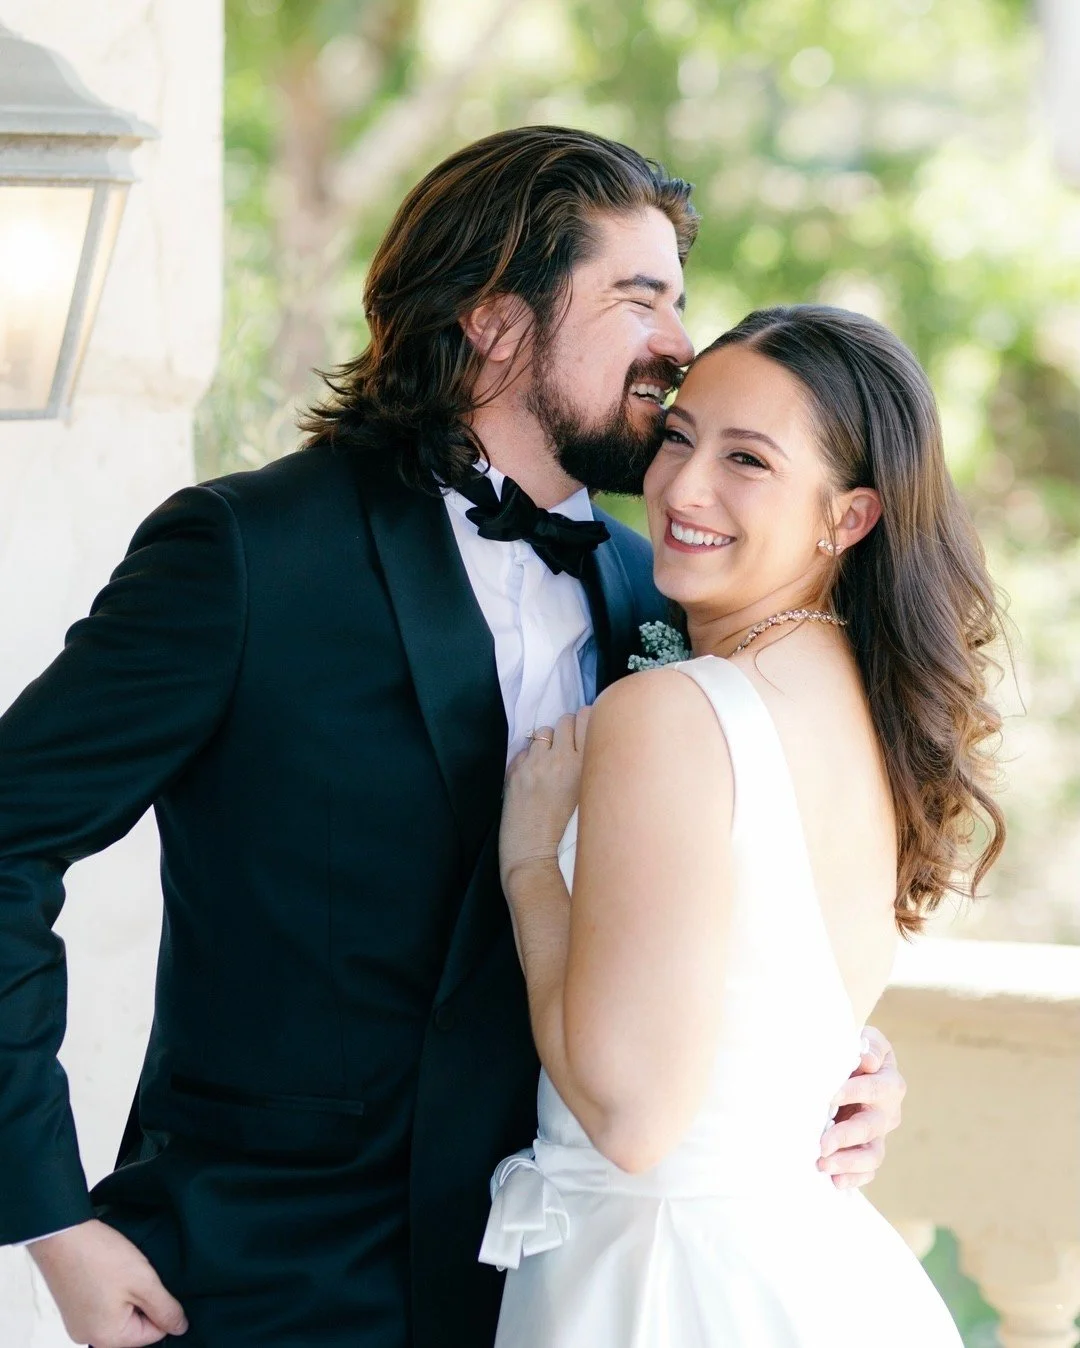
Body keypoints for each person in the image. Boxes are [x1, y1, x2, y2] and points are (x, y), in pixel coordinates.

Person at [0, 130, 904, 1348]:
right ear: (495, 319)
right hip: (267, 1284)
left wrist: (833, 1062)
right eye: (638, 300)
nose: (681, 345)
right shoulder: (248, 555)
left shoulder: (668, 595)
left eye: (679, 301)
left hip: (554, 1280)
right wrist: (48, 1218)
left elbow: (712, 904)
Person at [486, 303, 1005, 1346]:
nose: (681, 487)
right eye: (678, 437)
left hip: (665, 1286)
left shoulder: (675, 710)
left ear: (847, 517)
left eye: (748, 460)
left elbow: (633, 1120)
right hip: (814, 1267)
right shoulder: (870, 708)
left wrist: (532, 864)